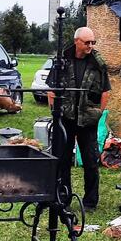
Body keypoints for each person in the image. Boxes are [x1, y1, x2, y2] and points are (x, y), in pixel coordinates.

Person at [47, 27, 111, 210]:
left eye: (93, 42)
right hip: (65, 119)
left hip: (88, 120)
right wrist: (54, 113)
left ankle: (90, 202)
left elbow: (106, 91)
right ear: (77, 41)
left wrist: (99, 113)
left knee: (91, 162)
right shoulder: (62, 61)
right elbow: (51, 89)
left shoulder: (98, 63)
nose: (90, 46)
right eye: (87, 42)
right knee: (62, 160)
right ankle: (63, 198)